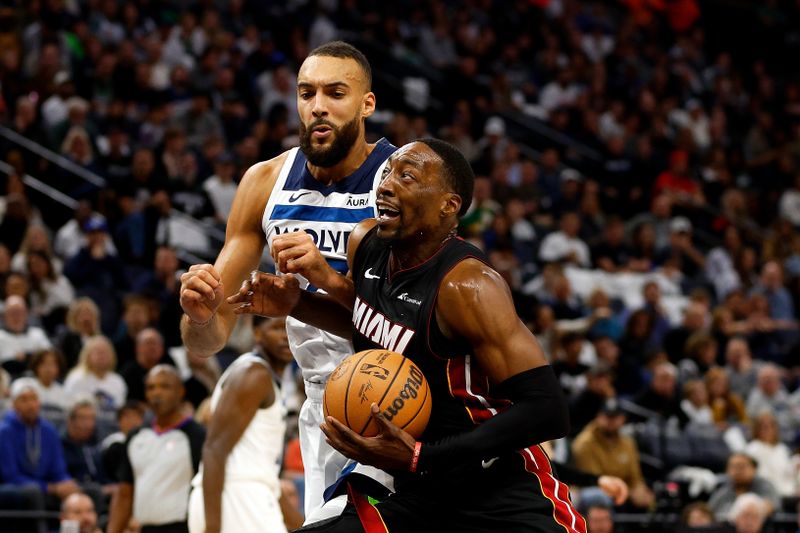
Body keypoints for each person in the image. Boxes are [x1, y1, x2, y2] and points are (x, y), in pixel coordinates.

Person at [230, 139, 584, 531]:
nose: (385, 184)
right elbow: (371, 324)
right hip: (417, 490)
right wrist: (297, 303)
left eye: (407, 176)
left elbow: (548, 409)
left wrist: (422, 456)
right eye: (388, 173)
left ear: (448, 206)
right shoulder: (365, 243)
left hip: (495, 488)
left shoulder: (467, 285)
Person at [178, 41, 396, 522]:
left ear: (367, 104)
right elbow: (207, 339)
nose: (317, 105)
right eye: (306, 92)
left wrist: (324, 277)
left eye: (335, 92)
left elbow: (423, 319)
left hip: (402, 398)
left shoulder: (402, 179)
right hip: (324, 408)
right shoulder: (264, 182)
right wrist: (199, 314)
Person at [188, 316, 303, 533]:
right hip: (233, 496)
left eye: (290, 328)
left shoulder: (263, 376)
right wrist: (212, 527)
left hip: (248, 495)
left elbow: (264, 475)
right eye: (277, 328)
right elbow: (214, 449)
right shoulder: (254, 374)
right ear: (257, 333)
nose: (285, 336)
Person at [107, 365, 205, 533]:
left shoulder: (197, 436)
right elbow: (125, 493)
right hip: (144, 528)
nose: (156, 393)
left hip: (184, 527)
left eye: (165, 386)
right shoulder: (135, 436)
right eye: (151, 387)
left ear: (180, 391)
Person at [0, 378, 80, 533]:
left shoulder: (48, 430)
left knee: (86, 490)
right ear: (14, 405)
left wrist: (66, 482)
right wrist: (50, 488)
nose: (31, 404)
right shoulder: (4, 432)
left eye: (34, 399)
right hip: (12, 487)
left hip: (45, 486)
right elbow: (10, 475)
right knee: (33, 491)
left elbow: (59, 469)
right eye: (24, 400)